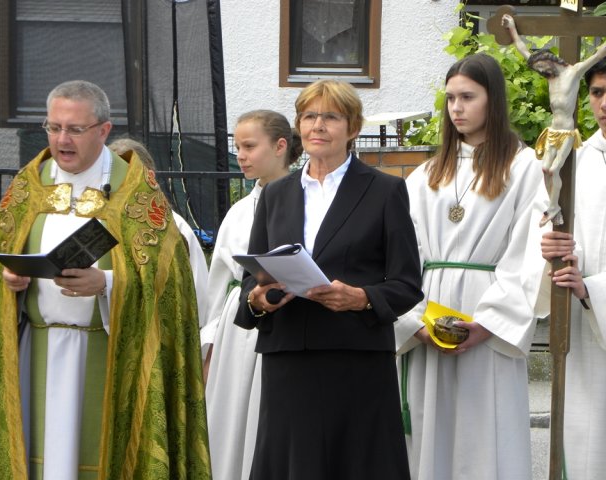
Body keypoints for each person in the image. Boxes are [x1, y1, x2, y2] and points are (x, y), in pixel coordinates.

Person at [0, 80, 210, 479]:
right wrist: (8, 283)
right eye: (54, 127)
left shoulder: (136, 194)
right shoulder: (29, 187)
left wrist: (109, 285)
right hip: (35, 350)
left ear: (103, 130)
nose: (62, 138)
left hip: (106, 353)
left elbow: (171, 285)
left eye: (75, 129)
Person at [234, 79, 424, 480]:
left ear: (353, 128)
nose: (318, 125)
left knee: (356, 465)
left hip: (354, 357)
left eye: (331, 117)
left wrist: (361, 297)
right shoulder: (275, 194)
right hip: (289, 357)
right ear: (299, 126)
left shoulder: (385, 191)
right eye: (309, 116)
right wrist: (259, 300)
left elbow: (407, 284)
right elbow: (253, 279)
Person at [395, 53, 547, 480]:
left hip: (488, 316)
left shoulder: (522, 168)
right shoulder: (425, 174)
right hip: (431, 310)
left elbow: (528, 252)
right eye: (450, 99)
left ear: (492, 101)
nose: (457, 108)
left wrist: (490, 323)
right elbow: (401, 253)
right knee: (430, 429)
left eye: (468, 97)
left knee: (485, 432)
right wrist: (413, 320)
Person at [200, 110, 302, 480]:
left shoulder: (306, 203)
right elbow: (219, 282)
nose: (240, 155)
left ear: (280, 147)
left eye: (248, 146)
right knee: (230, 419)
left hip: (285, 323)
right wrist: (210, 344)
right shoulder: (239, 212)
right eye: (237, 147)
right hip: (236, 328)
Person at [539, 58, 606, 479]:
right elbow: (547, 224)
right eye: (598, 92)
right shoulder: (576, 165)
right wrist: (550, 251)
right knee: (590, 450)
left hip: (595, 301)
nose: (604, 103)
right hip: (587, 337)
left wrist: (594, 288)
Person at [503, 13, 606, 226]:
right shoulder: (551, 78)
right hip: (552, 131)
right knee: (545, 169)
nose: (542, 71)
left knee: (553, 169)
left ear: (550, 61)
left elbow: (598, 55)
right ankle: (554, 207)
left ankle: (553, 208)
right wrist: (512, 28)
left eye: (543, 66)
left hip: (567, 132)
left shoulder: (574, 72)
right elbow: (524, 52)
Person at [108, 137, 209, 329]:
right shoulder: (95, 224)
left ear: (150, 177)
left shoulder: (174, 229)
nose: (119, 184)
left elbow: (196, 295)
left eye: (128, 175)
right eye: (113, 176)